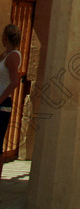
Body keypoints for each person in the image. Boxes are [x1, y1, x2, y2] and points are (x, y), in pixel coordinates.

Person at [0, 24, 22, 180]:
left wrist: (0, 100)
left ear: (5, 37)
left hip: (3, 104)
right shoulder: (5, 55)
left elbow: (14, 82)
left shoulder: (13, 56)